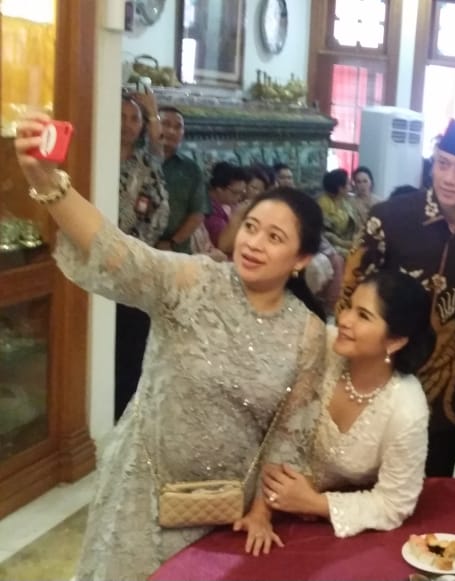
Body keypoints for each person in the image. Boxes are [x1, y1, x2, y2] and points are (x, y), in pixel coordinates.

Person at [12, 112, 327, 580]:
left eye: (275, 237)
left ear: (301, 259)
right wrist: (49, 183)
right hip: (142, 491)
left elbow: (289, 435)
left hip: (225, 508)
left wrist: (263, 509)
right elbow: (119, 253)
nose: (254, 243)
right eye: (251, 226)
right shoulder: (193, 280)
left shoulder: (308, 332)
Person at [337, 119, 455, 477]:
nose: (449, 178)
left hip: (449, 378)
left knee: (433, 477)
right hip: (380, 361)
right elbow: (351, 291)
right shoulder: (390, 217)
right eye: (443, 164)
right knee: (361, 468)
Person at [235, 271, 435, 553]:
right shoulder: (322, 345)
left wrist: (314, 503)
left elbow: (394, 504)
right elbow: (277, 423)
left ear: (395, 341)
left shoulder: (406, 409)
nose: (344, 319)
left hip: (318, 525)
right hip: (249, 483)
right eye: (349, 306)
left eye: (363, 316)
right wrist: (261, 511)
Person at [115, 93, 170, 420]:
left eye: (133, 118)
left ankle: (131, 410)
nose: (127, 125)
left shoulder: (147, 162)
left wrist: (151, 112)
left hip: (139, 261)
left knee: (135, 341)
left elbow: (158, 145)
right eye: (121, 117)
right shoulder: (97, 155)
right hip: (105, 257)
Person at [156, 106, 207, 254]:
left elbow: (198, 212)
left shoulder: (191, 169)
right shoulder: (138, 160)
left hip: (175, 251)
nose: (172, 131)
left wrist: (172, 242)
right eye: (166, 124)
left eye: (178, 127)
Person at [204, 162, 249, 246]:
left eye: (241, 193)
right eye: (235, 193)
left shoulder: (225, 205)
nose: (239, 197)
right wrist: (237, 216)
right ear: (219, 189)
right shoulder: (210, 213)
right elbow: (225, 246)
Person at [317, 169, 354, 255]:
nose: (351, 187)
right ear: (340, 188)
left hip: (347, 243)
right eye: (348, 184)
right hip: (329, 247)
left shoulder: (345, 202)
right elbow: (323, 233)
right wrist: (343, 243)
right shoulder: (323, 203)